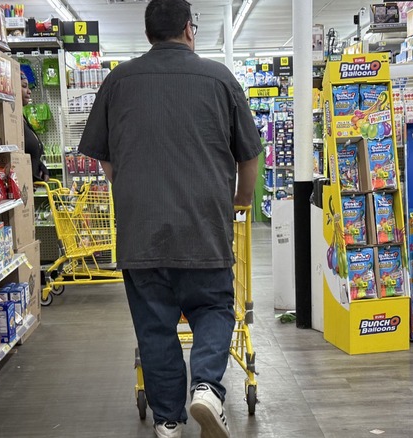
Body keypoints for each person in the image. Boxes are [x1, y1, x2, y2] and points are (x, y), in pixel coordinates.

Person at [78, 0, 261, 436]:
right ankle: (206, 389)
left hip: (141, 235)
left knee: (155, 327)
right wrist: (239, 200)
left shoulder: (118, 81)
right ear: (188, 29)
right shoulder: (220, 79)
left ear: (147, 35)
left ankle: (167, 422)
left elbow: (107, 161)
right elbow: (250, 156)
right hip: (205, 228)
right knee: (215, 308)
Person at [21, 73, 49, 182]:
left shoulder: (22, 118)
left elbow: (29, 153)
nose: (29, 91)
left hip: (30, 187)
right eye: (24, 86)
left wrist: (40, 166)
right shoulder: (11, 122)